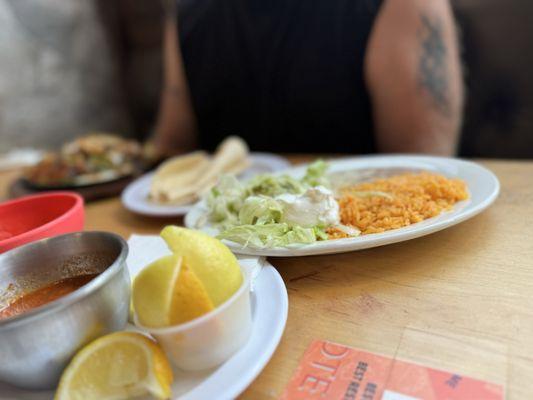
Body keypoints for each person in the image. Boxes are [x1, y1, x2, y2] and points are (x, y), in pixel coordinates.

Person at [153, 0, 464, 156]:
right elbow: (171, 151)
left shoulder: (404, 6)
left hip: (370, 254)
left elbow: (425, 176)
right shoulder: (189, 13)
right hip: (226, 259)